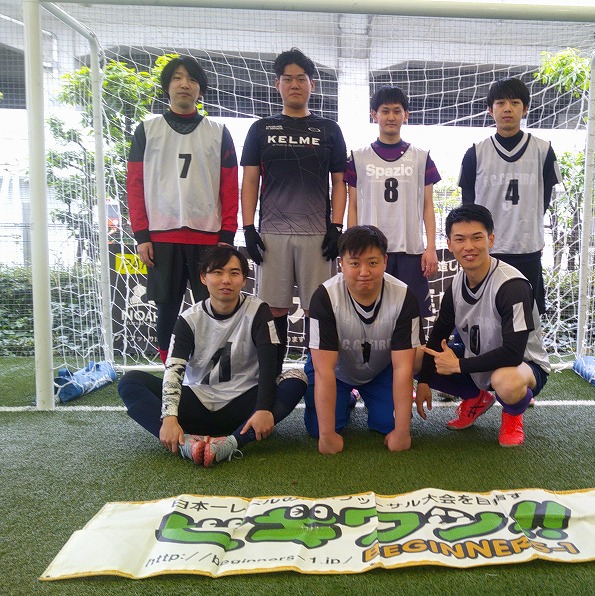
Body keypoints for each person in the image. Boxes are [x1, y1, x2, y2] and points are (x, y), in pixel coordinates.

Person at [117, 246, 307, 467]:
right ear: (203, 278)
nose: (226, 280)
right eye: (217, 272)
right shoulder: (189, 319)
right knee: (130, 381)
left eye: (234, 273)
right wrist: (168, 417)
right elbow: (173, 370)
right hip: (197, 404)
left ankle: (231, 444)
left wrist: (263, 408)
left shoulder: (258, 311)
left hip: (243, 407)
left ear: (244, 280)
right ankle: (186, 445)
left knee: (297, 378)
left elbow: (268, 364)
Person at [240, 47, 348, 374]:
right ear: (278, 84)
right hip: (272, 234)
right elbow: (250, 181)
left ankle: (318, 379)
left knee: (319, 310)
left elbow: (339, 182)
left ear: (312, 84)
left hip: (317, 235)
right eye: (288, 79)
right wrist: (248, 228)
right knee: (273, 311)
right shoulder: (261, 129)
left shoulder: (330, 130)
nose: (295, 85)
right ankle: (270, 381)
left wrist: (337, 227)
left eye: (301, 78)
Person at [127, 55, 239, 364]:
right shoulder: (147, 130)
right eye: (177, 77)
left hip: (209, 238)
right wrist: (141, 235)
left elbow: (230, 186)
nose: (184, 84)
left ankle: (212, 370)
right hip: (162, 237)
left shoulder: (218, 132)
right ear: (167, 86)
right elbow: (134, 184)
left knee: (215, 308)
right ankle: (171, 372)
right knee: (166, 310)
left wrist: (227, 235)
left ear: (200, 89)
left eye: (191, 79)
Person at [415, 205, 550, 447]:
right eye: (460, 239)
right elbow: (439, 335)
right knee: (415, 356)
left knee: (506, 381)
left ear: (491, 240)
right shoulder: (457, 284)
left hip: (522, 366)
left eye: (477, 237)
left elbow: (513, 353)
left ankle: (512, 415)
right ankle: (477, 397)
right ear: (450, 244)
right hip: (477, 360)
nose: (469, 246)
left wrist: (458, 365)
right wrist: (423, 380)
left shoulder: (512, 286)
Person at [303, 225, 423, 455]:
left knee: (390, 423)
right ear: (341, 263)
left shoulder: (403, 296)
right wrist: (327, 436)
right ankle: (347, 398)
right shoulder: (325, 297)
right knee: (318, 428)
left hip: (380, 371)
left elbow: (403, 367)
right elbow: (324, 370)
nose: (364, 272)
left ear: (385, 261)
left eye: (373, 262)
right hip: (336, 373)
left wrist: (402, 432)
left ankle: (369, 396)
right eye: (355, 263)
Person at [458, 76, 561, 316]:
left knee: (528, 318)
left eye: (515, 103)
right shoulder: (475, 153)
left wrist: (525, 224)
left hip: (527, 249)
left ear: (525, 109)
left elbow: (545, 199)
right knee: (486, 316)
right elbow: (468, 206)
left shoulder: (543, 150)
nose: (507, 109)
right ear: (490, 109)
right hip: (487, 251)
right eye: (501, 103)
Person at [345, 85, 441, 318]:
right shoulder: (358, 157)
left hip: (410, 249)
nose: (391, 117)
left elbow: (428, 205)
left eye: (397, 111)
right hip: (371, 250)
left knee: (411, 316)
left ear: (406, 115)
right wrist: (351, 247)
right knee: (371, 315)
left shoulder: (421, 157)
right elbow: (353, 205)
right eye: (385, 111)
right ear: (374, 114)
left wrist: (430, 247)